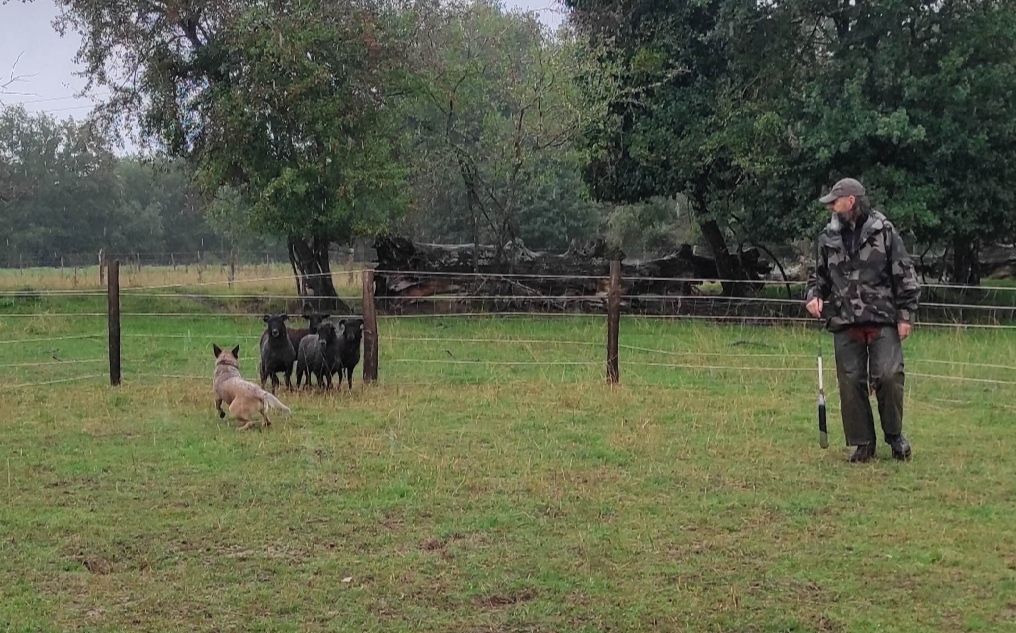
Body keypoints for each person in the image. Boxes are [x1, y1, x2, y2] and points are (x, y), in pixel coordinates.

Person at [804, 178, 921, 463]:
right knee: (850, 381)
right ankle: (862, 443)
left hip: (882, 319)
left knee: (889, 376)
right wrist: (813, 296)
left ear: (851, 201)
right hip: (844, 319)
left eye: (835, 201)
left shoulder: (885, 232)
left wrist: (905, 315)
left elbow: (905, 273)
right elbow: (817, 277)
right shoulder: (827, 237)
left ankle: (894, 436)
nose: (830, 206)